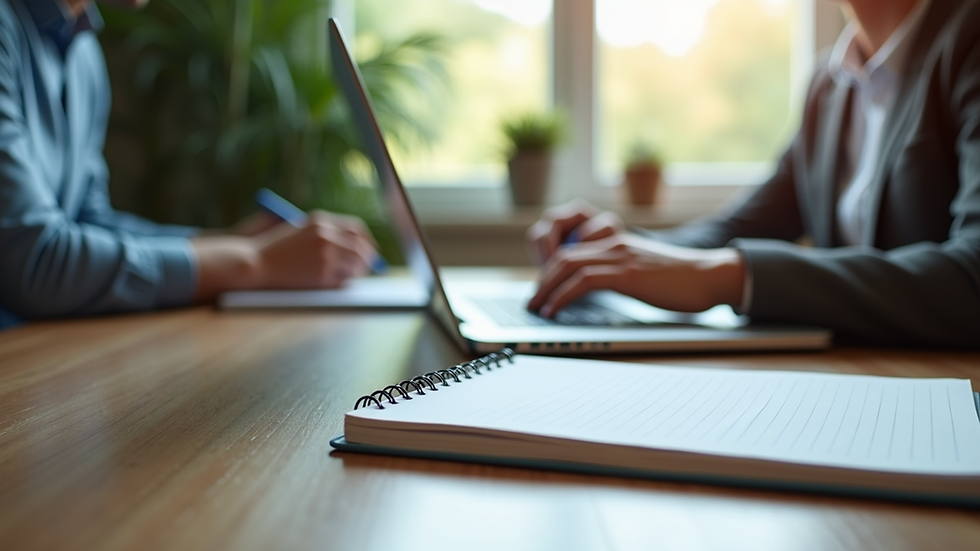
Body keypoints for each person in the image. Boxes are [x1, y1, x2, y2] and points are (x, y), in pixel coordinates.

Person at [527, 0, 980, 348]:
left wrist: (730, 276)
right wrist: (614, 249)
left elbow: (972, 276)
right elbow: (739, 229)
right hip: (862, 377)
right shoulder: (831, 82)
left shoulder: (967, 38)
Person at [0, 0, 378, 329]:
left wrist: (232, 242)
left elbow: (89, 224)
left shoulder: (84, 55)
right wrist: (254, 263)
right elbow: (33, 261)